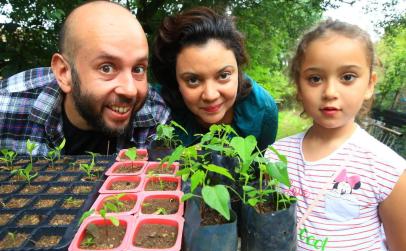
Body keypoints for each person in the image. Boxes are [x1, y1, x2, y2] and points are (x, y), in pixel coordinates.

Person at [265, 20, 406, 251]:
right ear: (299, 86)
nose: (330, 91)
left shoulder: (388, 168)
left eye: (348, 77)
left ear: (370, 84)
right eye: (315, 78)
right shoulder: (277, 156)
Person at [0, 1, 170, 156]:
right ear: (64, 72)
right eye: (107, 68)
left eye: (138, 69)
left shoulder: (155, 116)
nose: (130, 90)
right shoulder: (6, 106)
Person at [151, 7, 278, 151]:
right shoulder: (155, 106)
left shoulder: (264, 111)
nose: (210, 95)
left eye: (223, 76)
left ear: (238, 70)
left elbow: (259, 169)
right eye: (193, 80)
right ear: (175, 80)